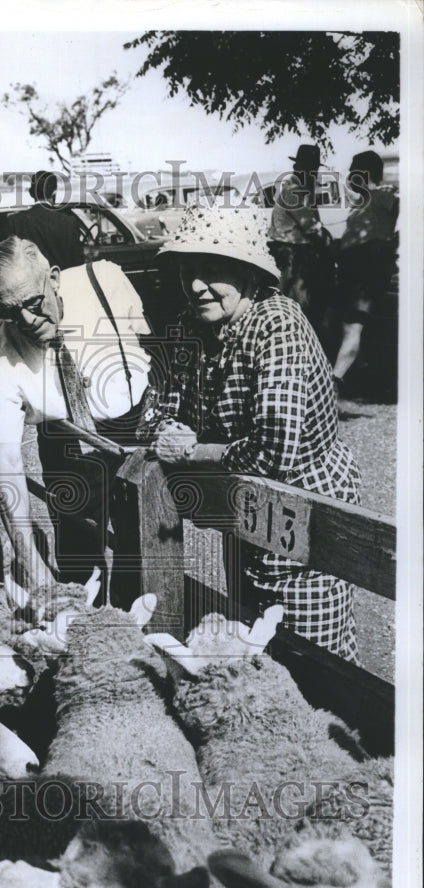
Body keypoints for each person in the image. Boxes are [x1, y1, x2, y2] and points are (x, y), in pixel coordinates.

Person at [152, 204, 362, 664]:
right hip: (246, 512)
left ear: (248, 274)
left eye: (213, 270)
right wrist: (171, 432)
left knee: (310, 657)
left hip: (306, 510)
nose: (196, 285)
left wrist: (194, 449)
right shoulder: (195, 325)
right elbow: (162, 410)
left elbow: (274, 451)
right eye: (188, 269)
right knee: (253, 651)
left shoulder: (277, 323)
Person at [0, 235, 153, 597]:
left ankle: (138, 635)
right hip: (67, 445)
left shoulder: (105, 279)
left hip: (136, 427)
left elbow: (148, 338)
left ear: (54, 278)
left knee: (144, 548)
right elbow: (8, 465)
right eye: (10, 312)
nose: (26, 320)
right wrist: (35, 570)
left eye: (33, 302)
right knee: (78, 563)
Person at [331, 151, 399, 400]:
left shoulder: (385, 195)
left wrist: (388, 245)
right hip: (353, 268)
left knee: (353, 325)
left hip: (366, 269)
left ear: (366, 172)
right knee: (350, 324)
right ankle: (364, 377)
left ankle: (334, 381)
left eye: (353, 169)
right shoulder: (363, 201)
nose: (349, 174)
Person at [267, 144, 332, 336]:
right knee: (297, 302)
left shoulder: (298, 187)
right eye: (312, 168)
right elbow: (311, 228)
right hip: (291, 253)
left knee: (291, 301)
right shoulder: (296, 189)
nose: (314, 173)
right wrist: (329, 244)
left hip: (290, 250)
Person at [8, 170, 86, 270]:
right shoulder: (69, 222)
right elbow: (78, 262)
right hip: (63, 282)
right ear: (54, 193)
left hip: (30, 284)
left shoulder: (15, 222)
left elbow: (10, 262)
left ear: (31, 193)